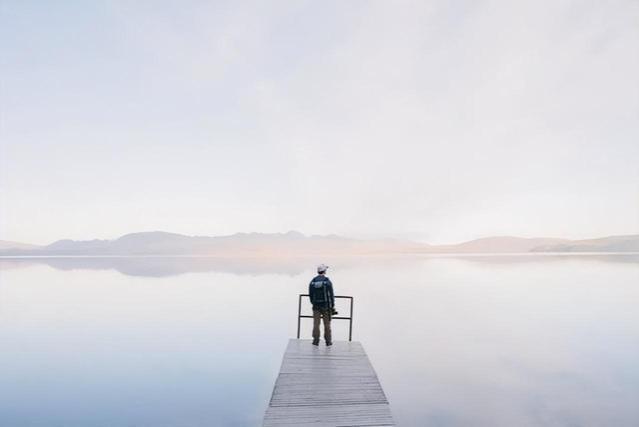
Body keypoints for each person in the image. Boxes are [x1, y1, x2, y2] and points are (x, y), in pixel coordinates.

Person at [309, 263, 335, 346]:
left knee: (316, 324)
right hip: (326, 306)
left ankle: (316, 340)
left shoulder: (313, 281)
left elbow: (310, 294)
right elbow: (331, 294)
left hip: (316, 306)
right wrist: (332, 305)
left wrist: (313, 303)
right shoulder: (327, 281)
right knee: (327, 324)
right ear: (324, 271)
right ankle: (328, 341)